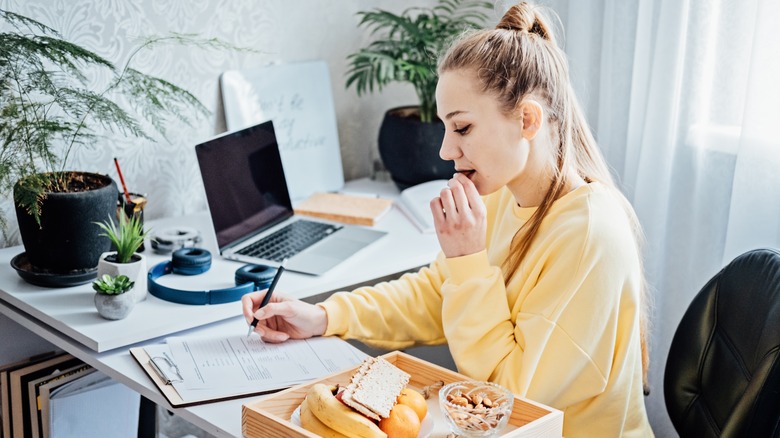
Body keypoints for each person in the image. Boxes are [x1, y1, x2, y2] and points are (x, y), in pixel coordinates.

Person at [241, 2, 653, 436]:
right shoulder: (499, 195)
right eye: (445, 128)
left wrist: (468, 259)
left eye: (462, 128)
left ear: (527, 119)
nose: (444, 151)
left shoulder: (589, 234)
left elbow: (506, 400)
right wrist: (324, 316)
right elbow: (435, 295)